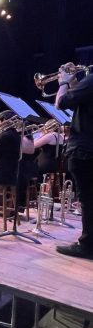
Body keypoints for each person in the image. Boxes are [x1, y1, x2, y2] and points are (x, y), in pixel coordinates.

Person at [55, 62, 93, 259]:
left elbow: (60, 103)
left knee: (87, 199)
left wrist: (63, 82)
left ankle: (87, 245)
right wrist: (76, 82)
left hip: (84, 150)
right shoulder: (88, 83)